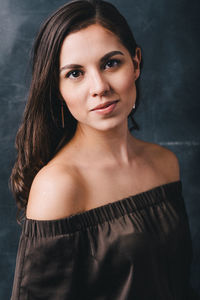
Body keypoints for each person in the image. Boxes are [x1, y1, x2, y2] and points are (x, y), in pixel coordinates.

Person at [10, 0, 198, 299]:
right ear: (57, 89)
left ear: (135, 62)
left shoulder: (164, 163)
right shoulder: (58, 186)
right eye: (75, 73)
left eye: (111, 63)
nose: (99, 86)